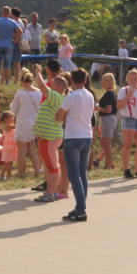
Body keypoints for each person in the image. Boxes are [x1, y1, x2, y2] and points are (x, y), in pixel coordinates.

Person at [56, 69, 95, 222]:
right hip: (86, 135)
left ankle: (80, 209)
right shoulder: (90, 95)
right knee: (82, 173)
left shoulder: (72, 97)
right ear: (85, 80)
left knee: (74, 174)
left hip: (73, 136)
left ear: (71, 80)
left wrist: (65, 116)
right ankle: (81, 206)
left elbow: (58, 117)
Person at [31, 67, 65, 204]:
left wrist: (38, 72)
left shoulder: (56, 97)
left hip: (50, 138)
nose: (49, 84)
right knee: (51, 165)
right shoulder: (55, 98)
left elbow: (42, 88)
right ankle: (51, 192)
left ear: (57, 86)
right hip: (47, 137)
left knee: (53, 166)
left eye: (52, 83)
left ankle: (51, 193)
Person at [10, 70, 42, 179]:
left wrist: (11, 104)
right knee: (32, 149)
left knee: (21, 150)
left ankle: (21, 173)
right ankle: (37, 171)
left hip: (23, 123)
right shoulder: (40, 92)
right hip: (35, 124)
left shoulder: (20, 93)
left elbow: (13, 110)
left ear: (23, 81)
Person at [0, 6, 23, 85]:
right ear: (9, 14)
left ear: (2, 12)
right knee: (7, 64)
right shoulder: (12, 22)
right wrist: (16, 40)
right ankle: (7, 81)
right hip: (9, 45)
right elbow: (20, 31)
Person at [96, 73, 118, 170]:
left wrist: (98, 109)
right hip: (111, 119)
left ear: (107, 81)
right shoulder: (112, 93)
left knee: (106, 144)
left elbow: (108, 109)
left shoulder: (109, 94)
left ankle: (108, 164)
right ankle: (111, 163)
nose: (101, 82)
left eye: (103, 80)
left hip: (107, 119)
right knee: (106, 143)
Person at [0, 111, 17, 181]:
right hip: (8, 147)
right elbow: (16, 126)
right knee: (8, 162)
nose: (13, 119)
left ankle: (9, 176)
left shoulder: (10, 125)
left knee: (10, 162)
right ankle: (1, 174)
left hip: (12, 147)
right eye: (12, 118)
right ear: (6, 119)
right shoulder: (7, 126)